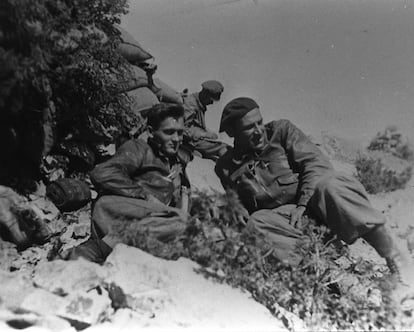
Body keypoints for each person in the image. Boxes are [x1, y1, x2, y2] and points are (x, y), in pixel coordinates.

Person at [215, 97, 413, 287]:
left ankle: (393, 256)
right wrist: (236, 210)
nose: (259, 131)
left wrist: (302, 204)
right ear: (232, 132)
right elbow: (240, 206)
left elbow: (315, 164)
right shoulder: (225, 167)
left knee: (330, 184)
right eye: (249, 128)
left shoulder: (281, 131)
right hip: (288, 229)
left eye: (260, 122)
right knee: (256, 222)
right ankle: (320, 271)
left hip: (320, 209)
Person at [67, 103, 191, 263]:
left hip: (153, 225)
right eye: (169, 132)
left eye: (180, 133)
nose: (176, 139)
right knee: (182, 221)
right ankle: (99, 249)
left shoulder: (176, 165)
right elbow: (103, 173)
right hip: (117, 213)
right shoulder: (140, 148)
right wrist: (145, 196)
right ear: (152, 132)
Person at [183, 80, 228, 161]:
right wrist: (204, 134)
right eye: (211, 100)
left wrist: (208, 132)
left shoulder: (199, 103)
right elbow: (184, 129)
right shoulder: (190, 105)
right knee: (223, 147)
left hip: (195, 140)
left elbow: (197, 124)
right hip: (190, 141)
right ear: (205, 94)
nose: (211, 103)